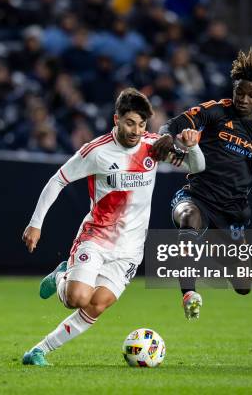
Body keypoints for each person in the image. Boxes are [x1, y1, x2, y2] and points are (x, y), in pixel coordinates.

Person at [20, 88, 206, 366]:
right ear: (116, 119)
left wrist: (193, 146)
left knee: (97, 305)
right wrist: (36, 224)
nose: (136, 130)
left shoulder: (153, 146)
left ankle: (38, 351)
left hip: (130, 250)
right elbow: (58, 180)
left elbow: (198, 166)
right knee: (77, 298)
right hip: (97, 238)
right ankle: (61, 277)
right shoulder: (96, 151)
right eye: (130, 122)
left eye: (142, 124)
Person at [151, 49, 252, 320]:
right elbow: (174, 124)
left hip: (232, 212)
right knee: (188, 218)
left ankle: (215, 247)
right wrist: (165, 135)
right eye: (240, 93)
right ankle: (189, 294)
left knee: (243, 287)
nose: (244, 100)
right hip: (197, 196)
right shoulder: (215, 111)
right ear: (233, 88)